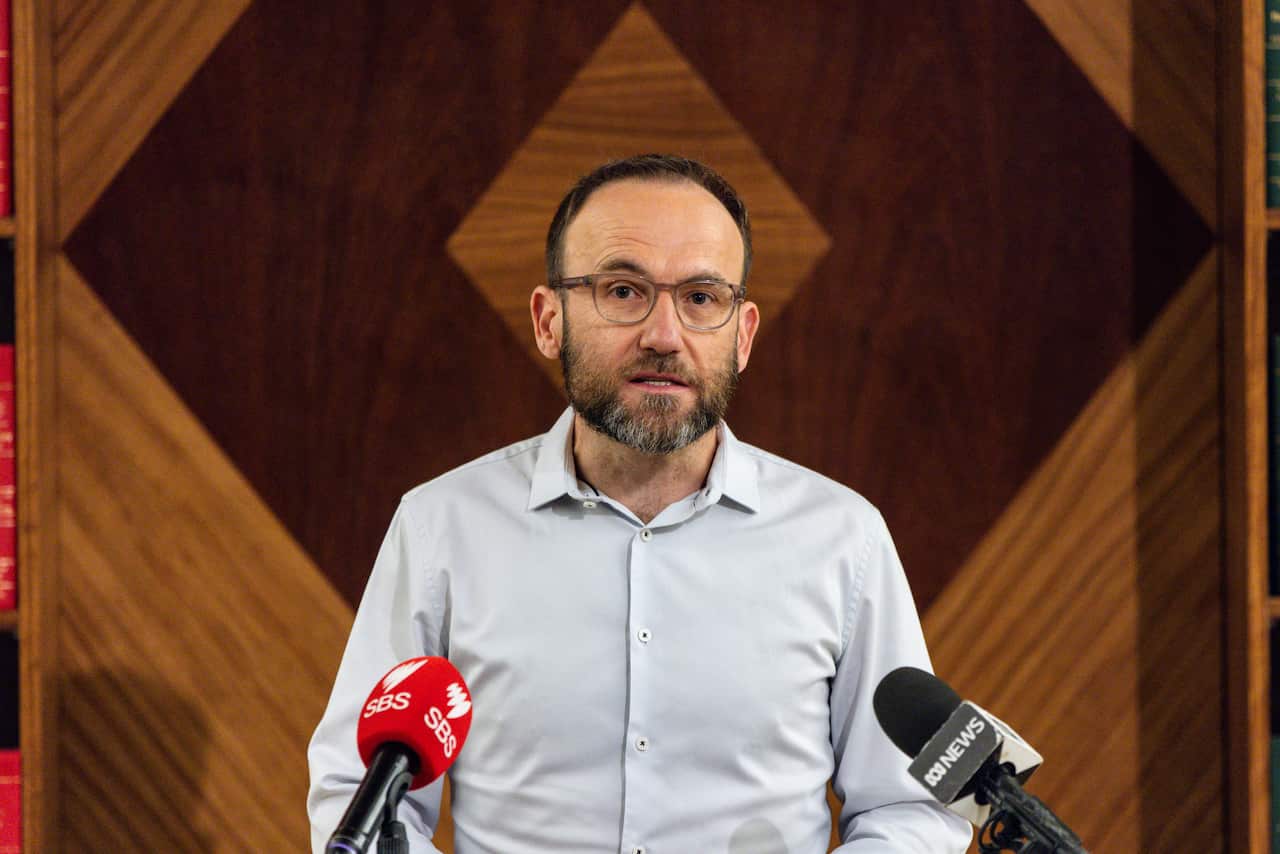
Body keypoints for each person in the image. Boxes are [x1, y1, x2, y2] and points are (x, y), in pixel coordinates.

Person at [307, 154, 972, 853]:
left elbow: (910, 808)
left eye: (701, 298)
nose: (664, 335)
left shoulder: (843, 540)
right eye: (623, 291)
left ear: (743, 336)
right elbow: (358, 794)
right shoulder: (441, 528)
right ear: (549, 321)